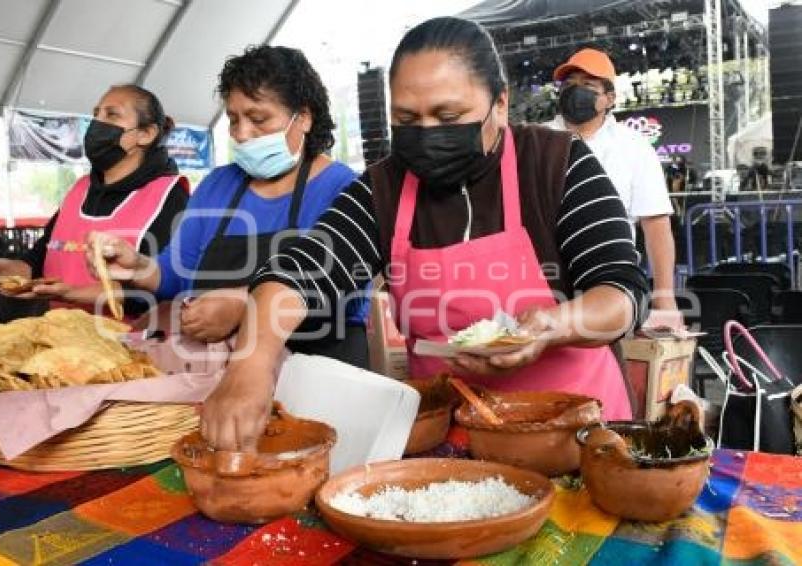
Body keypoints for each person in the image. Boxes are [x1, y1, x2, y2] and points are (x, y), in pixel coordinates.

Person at [197, 17, 650, 451]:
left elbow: (622, 293)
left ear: (501, 103)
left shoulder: (555, 164)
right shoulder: (384, 189)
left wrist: (553, 325)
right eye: (408, 121)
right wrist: (251, 363)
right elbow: (305, 268)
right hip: (447, 443)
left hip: (578, 439)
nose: (428, 134)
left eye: (449, 116)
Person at [88, 46, 370, 366]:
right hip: (212, 375)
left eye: (258, 118)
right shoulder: (217, 186)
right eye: (234, 120)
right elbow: (177, 275)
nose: (242, 134)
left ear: (303, 118)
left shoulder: (344, 189)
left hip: (317, 375)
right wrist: (136, 266)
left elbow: (341, 292)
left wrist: (245, 306)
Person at [0, 85, 189, 316]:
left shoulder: (168, 195)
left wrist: (70, 293)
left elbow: (156, 288)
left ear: (145, 134)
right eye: (96, 113)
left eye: (112, 114)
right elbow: (35, 261)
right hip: (62, 338)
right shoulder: (80, 189)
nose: (97, 123)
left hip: (126, 345)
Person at [545, 48, 677, 313]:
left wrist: (664, 298)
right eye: (569, 84)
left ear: (610, 98)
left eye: (588, 85)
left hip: (609, 286)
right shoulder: (537, 139)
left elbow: (656, 226)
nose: (575, 91)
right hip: (543, 282)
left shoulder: (634, 147)